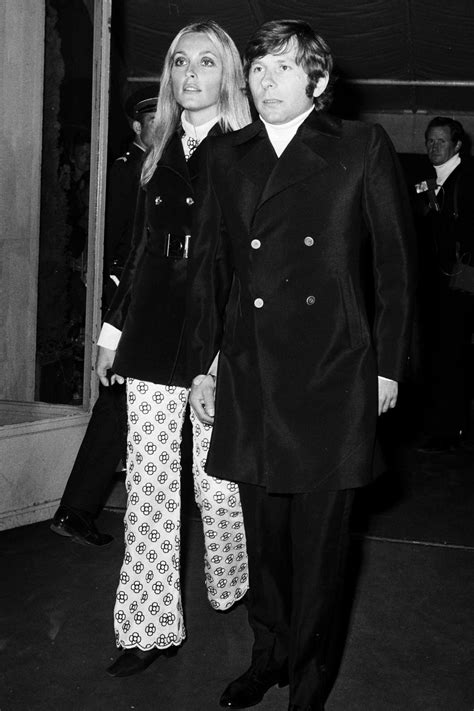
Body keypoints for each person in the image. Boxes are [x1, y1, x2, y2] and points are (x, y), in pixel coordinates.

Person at [187, 19, 415, 711]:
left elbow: (398, 270)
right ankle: (269, 654)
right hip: (252, 375)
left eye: (281, 68)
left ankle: (308, 685)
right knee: (268, 542)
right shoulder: (230, 156)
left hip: (334, 375)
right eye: (257, 68)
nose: (264, 80)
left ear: (316, 80)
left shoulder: (359, 145)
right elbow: (215, 271)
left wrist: (388, 369)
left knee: (321, 550)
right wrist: (206, 366)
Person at [96, 21, 252, 678]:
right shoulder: (155, 149)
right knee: (151, 488)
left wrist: (219, 358)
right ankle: (149, 624)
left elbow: (249, 267)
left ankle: (236, 583)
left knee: (217, 485)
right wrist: (111, 334)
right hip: (153, 333)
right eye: (180, 61)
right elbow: (135, 252)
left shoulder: (247, 152)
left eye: (207, 62)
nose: (190, 74)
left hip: (217, 337)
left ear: (229, 76)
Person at [51, 91, 158, 547]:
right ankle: (76, 509)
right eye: (154, 119)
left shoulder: (154, 167)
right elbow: (119, 244)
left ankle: (77, 509)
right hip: (128, 304)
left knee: (120, 406)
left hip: (136, 305)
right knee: (117, 405)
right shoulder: (130, 169)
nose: (163, 125)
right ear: (137, 127)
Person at [413, 117, 474, 453]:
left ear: (457, 145)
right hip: (434, 286)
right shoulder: (424, 182)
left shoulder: (467, 180)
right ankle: (440, 424)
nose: (434, 148)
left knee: (451, 355)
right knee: (436, 355)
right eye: (429, 141)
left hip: (461, 284)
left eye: (441, 142)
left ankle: (450, 429)